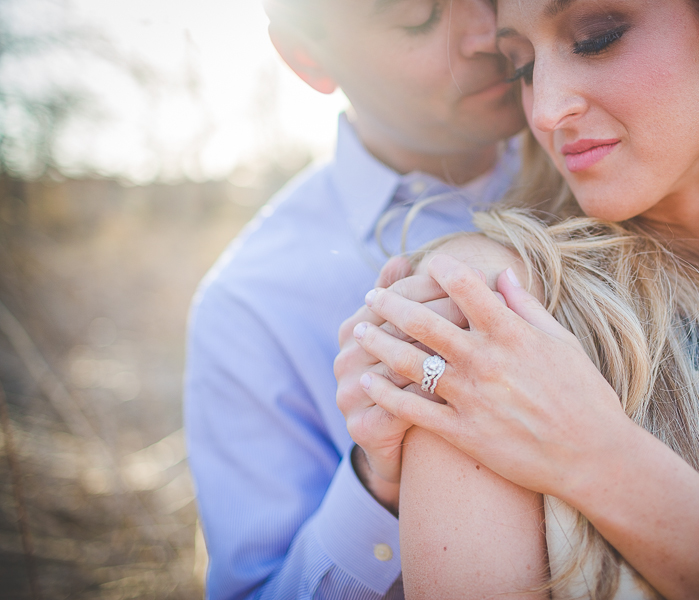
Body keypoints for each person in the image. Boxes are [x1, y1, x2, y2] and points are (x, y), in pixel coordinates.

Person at [347, 0, 699, 597]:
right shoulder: (493, 304)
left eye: (597, 37)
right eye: (523, 67)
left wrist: (598, 456)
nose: (550, 110)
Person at [182, 0, 527, 598]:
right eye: (420, 17)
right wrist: (376, 480)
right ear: (307, 56)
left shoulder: (628, 163)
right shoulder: (249, 306)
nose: (487, 33)